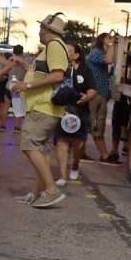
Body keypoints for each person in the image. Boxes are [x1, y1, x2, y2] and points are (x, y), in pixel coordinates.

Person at [11, 13, 68, 208]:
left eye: (40, 28)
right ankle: (40, 194)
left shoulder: (54, 46)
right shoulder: (54, 47)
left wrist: (25, 87)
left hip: (43, 107)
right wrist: (25, 65)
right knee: (42, 151)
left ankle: (51, 190)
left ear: (45, 29)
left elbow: (57, 75)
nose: (39, 32)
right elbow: (44, 73)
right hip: (45, 108)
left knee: (29, 145)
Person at [52, 43, 96, 186]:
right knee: (61, 141)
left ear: (76, 55)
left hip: (80, 112)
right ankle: (63, 176)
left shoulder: (85, 70)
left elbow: (92, 90)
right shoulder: (59, 68)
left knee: (78, 144)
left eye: (68, 51)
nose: (64, 52)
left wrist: (87, 98)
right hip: (62, 109)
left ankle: (75, 165)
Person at [84, 32, 122, 166]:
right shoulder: (96, 52)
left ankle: (82, 152)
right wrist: (112, 44)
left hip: (101, 94)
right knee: (96, 124)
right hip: (96, 94)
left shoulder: (101, 52)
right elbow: (109, 60)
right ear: (101, 40)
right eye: (108, 37)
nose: (110, 39)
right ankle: (105, 156)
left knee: (93, 123)